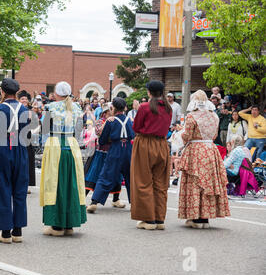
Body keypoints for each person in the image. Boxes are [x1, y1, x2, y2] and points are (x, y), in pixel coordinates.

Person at [178, 90, 230, 229]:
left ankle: (195, 217)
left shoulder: (191, 116)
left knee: (195, 184)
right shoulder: (214, 116)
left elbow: (187, 136)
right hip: (211, 150)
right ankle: (205, 218)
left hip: (196, 150)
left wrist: (179, 134)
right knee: (208, 184)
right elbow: (214, 136)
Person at [40, 81, 87, 236]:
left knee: (55, 184)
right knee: (71, 184)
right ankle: (70, 224)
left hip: (55, 146)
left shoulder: (50, 108)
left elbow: (45, 130)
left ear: (56, 94)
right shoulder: (77, 108)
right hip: (71, 147)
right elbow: (79, 131)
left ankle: (57, 225)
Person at [0, 79, 30, 243]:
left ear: (2, 91)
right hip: (20, 147)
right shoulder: (25, 109)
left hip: (4, 148)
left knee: (2, 188)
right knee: (19, 188)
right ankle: (18, 231)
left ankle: (5, 232)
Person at [130, 80, 172, 230]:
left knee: (143, 181)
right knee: (160, 184)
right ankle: (159, 218)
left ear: (149, 92)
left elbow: (136, 127)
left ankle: (148, 219)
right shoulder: (168, 108)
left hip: (145, 144)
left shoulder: (145, 107)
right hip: (162, 144)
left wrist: (137, 110)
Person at [87, 98, 134, 214]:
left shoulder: (110, 121)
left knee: (106, 174)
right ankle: (135, 203)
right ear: (124, 108)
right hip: (128, 149)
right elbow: (133, 135)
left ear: (113, 108)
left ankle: (94, 202)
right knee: (130, 177)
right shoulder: (130, 120)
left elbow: (102, 140)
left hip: (115, 149)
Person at [17, 90, 36, 192]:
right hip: (17, 137)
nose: (24, 100)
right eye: (22, 99)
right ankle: (18, 183)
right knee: (19, 161)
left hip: (27, 138)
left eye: (25, 99)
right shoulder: (16, 110)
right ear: (19, 100)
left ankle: (27, 184)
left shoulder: (30, 111)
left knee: (28, 160)